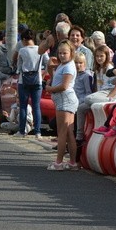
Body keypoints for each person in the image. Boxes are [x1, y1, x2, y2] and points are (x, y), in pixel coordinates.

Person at [45, 40, 79, 170]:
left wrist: (49, 89)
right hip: (61, 100)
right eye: (60, 53)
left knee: (62, 132)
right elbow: (54, 78)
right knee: (69, 132)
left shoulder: (69, 66)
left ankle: (58, 162)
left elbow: (64, 86)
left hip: (65, 99)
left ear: (71, 53)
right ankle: (72, 162)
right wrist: (50, 68)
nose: (62, 55)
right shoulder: (62, 65)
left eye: (65, 53)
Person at [76, 45, 116, 136]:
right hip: (100, 94)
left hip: (108, 93)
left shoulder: (109, 67)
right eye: (97, 56)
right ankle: (79, 135)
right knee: (81, 108)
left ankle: (110, 101)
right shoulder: (98, 69)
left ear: (106, 56)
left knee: (87, 99)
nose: (99, 58)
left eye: (101, 56)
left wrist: (109, 98)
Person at [15, 29, 48, 139]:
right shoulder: (41, 49)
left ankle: (22, 131)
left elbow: (19, 67)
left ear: (24, 39)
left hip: (23, 81)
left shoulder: (22, 51)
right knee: (36, 106)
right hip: (37, 80)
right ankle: (38, 132)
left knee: (23, 106)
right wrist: (43, 74)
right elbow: (48, 63)